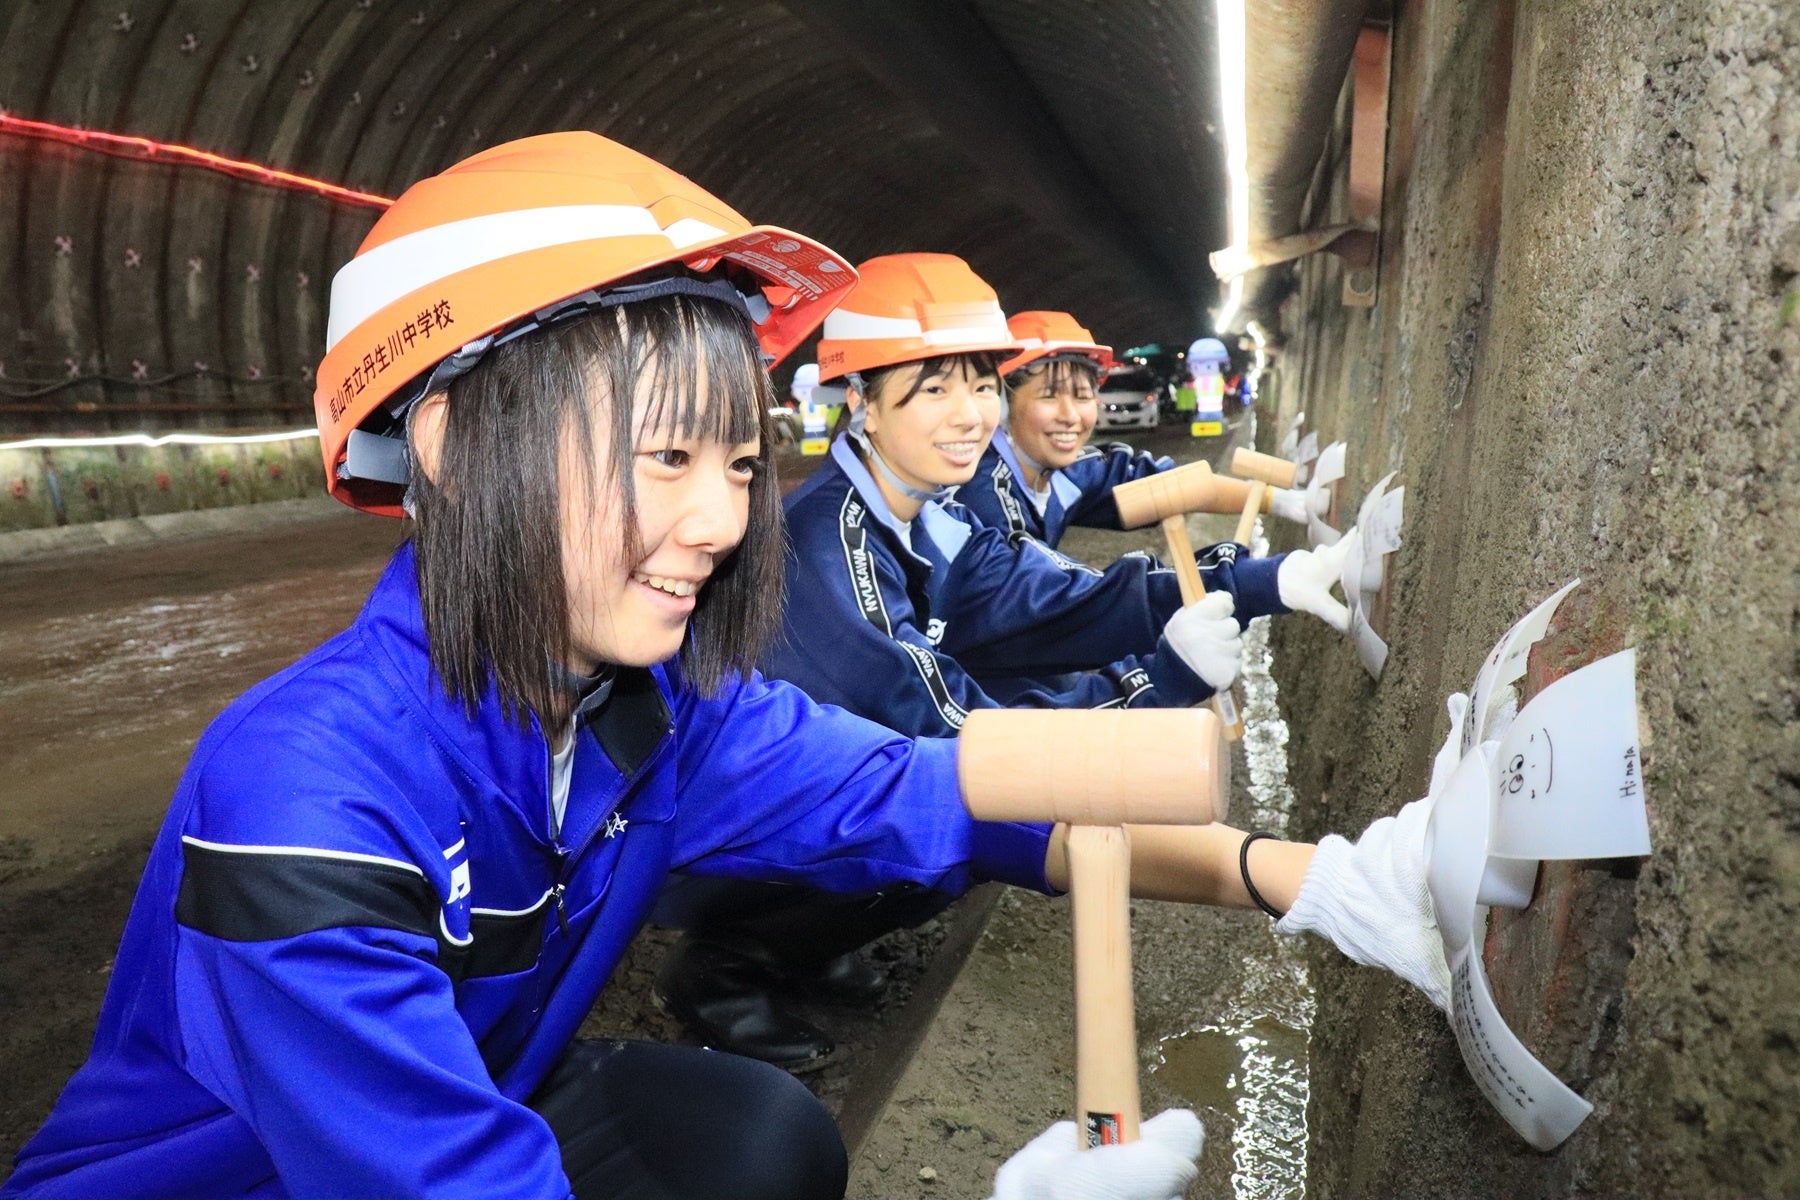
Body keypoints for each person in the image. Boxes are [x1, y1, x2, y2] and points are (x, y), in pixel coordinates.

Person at [3, 136, 1450, 1200]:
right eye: (665, 458)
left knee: (759, 1145)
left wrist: (1310, 880)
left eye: (745, 463)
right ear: (448, 442)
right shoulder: (304, 798)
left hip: (478, 1101)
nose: (719, 521)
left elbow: (918, 786)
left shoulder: (653, 704)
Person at [649, 255, 1366, 1069]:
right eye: (934, 390)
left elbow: (1052, 603)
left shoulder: (927, 514)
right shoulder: (826, 545)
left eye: (983, 385)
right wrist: (1158, 685)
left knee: (992, 767)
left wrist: (1269, 580)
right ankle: (723, 967)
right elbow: (945, 726)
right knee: (970, 816)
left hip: (807, 786)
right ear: (863, 405)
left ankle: (796, 943)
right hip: (691, 828)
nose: (971, 416)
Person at [960, 311, 1315, 551]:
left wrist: (1275, 499)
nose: (1070, 415)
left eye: (1083, 395)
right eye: (1049, 396)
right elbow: (1048, 600)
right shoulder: (985, 500)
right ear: (1000, 403)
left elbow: (1163, 488)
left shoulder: (1065, 473)